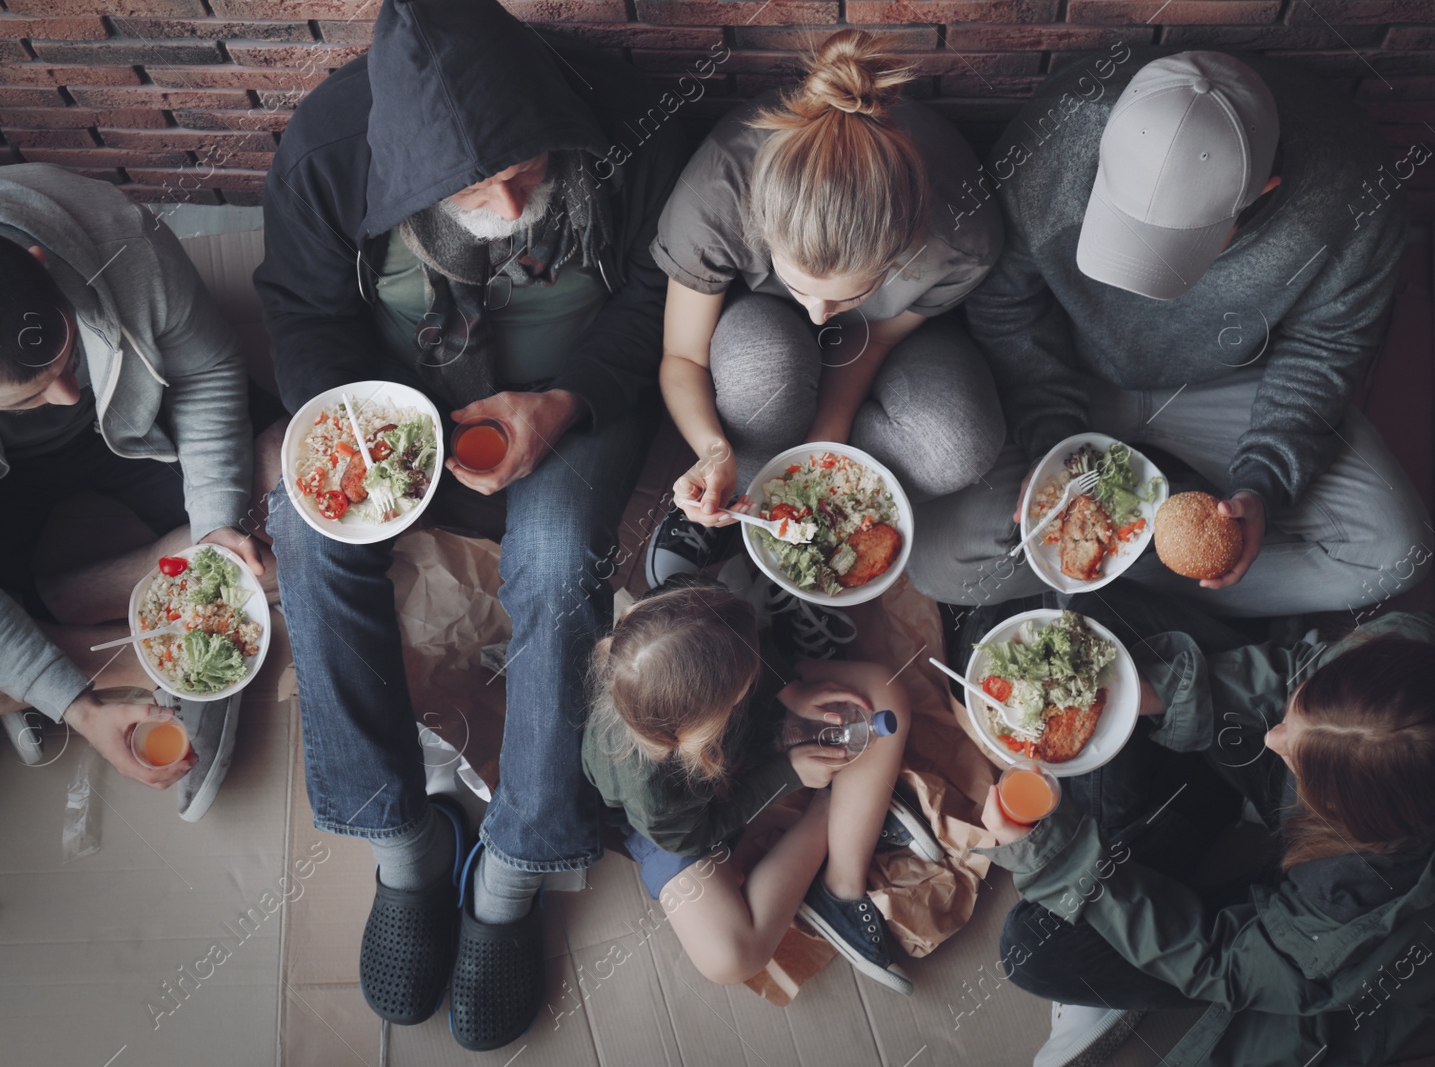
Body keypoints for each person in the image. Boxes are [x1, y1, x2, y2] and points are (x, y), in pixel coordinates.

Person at [253, 0, 686, 1049]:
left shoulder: (632, 124)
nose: (509, 196)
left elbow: (660, 289)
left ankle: (520, 857)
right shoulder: (322, 151)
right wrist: (366, 428)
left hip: (571, 403)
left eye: (527, 166)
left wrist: (570, 400)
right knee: (304, 528)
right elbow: (300, 311)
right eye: (471, 183)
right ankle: (398, 834)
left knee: (556, 554)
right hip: (402, 409)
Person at [909, 49, 1430, 617]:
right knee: (940, 561)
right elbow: (1006, 307)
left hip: (1237, 386)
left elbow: (1327, 348)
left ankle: (1133, 573)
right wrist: (1052, 440)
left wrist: (1264, 484)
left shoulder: (1358, 192)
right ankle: (1146, 565)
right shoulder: (1051, 141)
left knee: (1396, 552)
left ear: (1263, 192)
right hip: (1073, 377)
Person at [0, 164, 276, 821]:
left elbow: (208, 369)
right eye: (32, 393)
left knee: (308, 469)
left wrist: (214, 523)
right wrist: (74, 704)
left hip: (135, 419)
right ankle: (156, 652)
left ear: (38, 263)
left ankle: (155, 600)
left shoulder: (116, 236)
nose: (64, 395)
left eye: (65, 360)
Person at [645, 28, 1007, 651]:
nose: (819, 316)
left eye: (846, 293)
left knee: (960, 447)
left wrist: (827, 434)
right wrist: (709, 450)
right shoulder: (719, 191)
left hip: (888, 345)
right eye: (800, 283)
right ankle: (750, 495)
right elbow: (681, 355)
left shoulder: (962, 233)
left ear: (899, 255)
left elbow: (880, 338)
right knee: (765, 373)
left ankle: (789, 506)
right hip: (756, 331)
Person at [975, 584, 1435, 1067]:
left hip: (1282, 921)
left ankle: (1149, 848)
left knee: (1033, 947)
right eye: (1298, 709)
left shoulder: (1356, 906)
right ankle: (1190, 809)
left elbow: (1222, 960)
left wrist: (1062, 860)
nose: (1273, 735)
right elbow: (1290, 674)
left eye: (1296, 757)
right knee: (1104, 623)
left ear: (1349, 817)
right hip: (1280, 786)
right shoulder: (1405, 659)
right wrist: (1165, 695)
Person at [583, 579, 943, 994]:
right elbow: (693, 835)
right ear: (713, 721)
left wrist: (791, 688)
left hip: (736, 726)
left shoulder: (677, 607)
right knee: (731, 957)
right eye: (749, 675)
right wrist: (786, 775)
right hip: (688, 823)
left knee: (884, 691)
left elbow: (747, 643)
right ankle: (835, 811)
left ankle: (844, 882)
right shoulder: (648, 790)